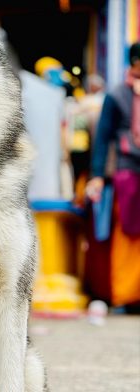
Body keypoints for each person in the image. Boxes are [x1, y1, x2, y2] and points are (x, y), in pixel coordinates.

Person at [84, 42, 140, 307]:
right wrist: (96, 174)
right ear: (134, 64)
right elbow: (103, 138)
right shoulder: (117, 95)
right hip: (126, 170)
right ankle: (126, 295)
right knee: (127, 232)